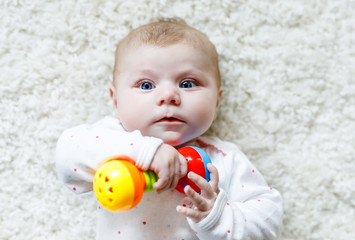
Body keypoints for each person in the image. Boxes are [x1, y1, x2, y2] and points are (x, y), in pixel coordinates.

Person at [55, 19, 283, 240]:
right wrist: (145, 152)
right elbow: (66, 157)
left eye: (187, 84)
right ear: (116, 101)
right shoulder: (111, 141)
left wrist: (216, 218)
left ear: (216, 102)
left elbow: (269, 220)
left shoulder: (225, 159)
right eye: (146, 85)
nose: (168, 96)